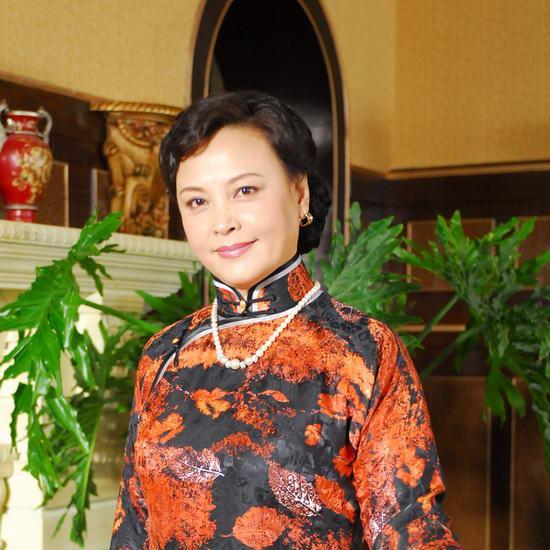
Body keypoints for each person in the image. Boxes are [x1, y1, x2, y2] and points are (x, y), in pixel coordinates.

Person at [110, 90, 462, 549]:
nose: (222, 222)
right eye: (197, 201)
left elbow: (411, 531)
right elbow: (132, 529)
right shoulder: (164, 355)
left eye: (245, 191)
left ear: (299, 194)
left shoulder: (361, 350)